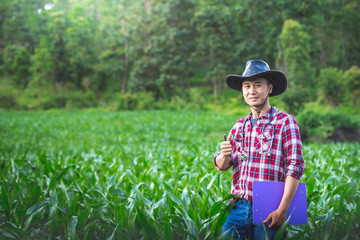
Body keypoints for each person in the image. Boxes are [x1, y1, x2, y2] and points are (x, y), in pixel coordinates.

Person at [213, 59, 305, 240]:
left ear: (269, 88)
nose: (251, 91)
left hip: (269, 207)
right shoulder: (240, 125)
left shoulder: (285, 122)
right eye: (246, 86)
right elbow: (222, 165)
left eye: (257, 85)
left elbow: (295, 167)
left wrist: (282, 210)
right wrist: (224, 154)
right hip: (238, 206)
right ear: (242, 91)